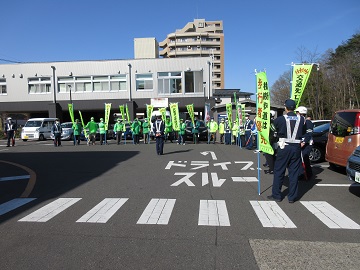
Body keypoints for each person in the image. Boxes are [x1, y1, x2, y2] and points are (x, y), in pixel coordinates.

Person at [267, 99, 306, 203]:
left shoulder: (280, 119)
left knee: (279, 171)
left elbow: (272, 129)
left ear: (285, 108)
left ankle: (277, 195)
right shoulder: (301, 119)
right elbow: (304, 132)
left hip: (284, 147)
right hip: (296, 147)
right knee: (294, 172)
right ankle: (292, 197)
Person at [295, 106, 314, 180]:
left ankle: (307, 175)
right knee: (299, 158)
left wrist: (304, 142)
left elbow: (309, 134)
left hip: (307, 144)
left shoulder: (308, 122)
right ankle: (301, 174)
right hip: (299, 142)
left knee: (304, 158)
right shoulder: (298, 121)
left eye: (297, 112)